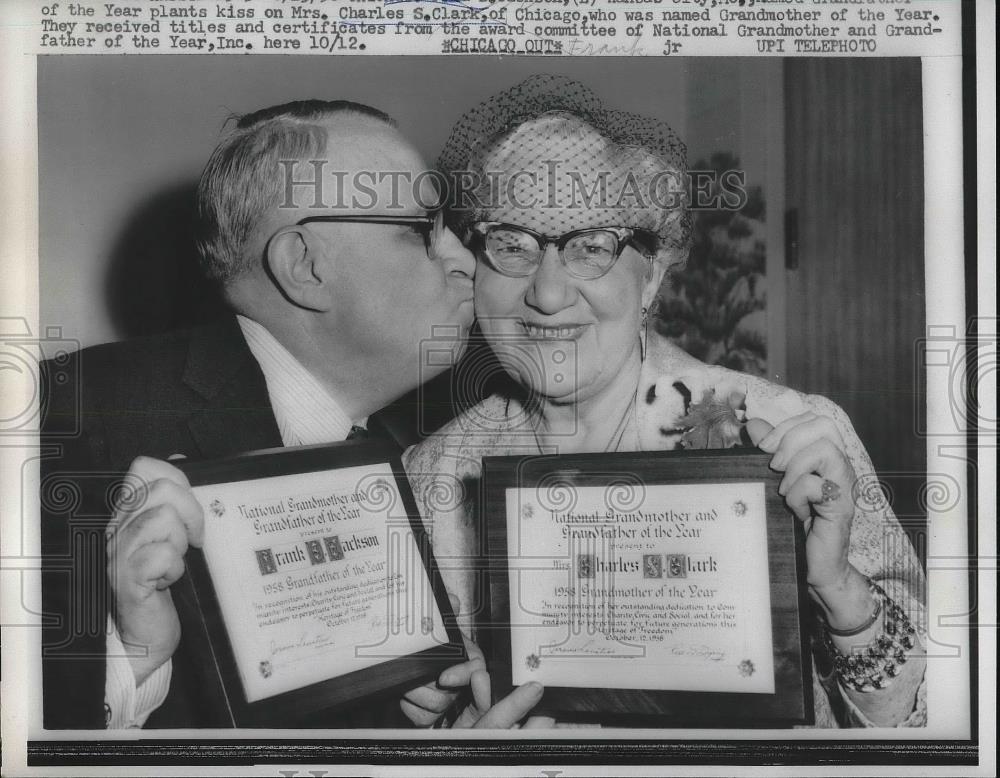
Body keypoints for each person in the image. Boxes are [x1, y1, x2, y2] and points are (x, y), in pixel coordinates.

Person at [403, 75, 927, 727]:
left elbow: (923, 723)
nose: (547, 290)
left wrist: (839, 589)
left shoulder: (794, 436)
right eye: (512, 243)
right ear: (474, 266)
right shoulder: (429, 479)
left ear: (652, 273)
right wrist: (436, 726)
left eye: (590, 245)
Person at [40, 99, 540, 729]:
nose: (467, 261)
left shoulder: (400, 454)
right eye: (420, 229)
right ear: (304, 266)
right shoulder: (72, 412)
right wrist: (126, 661)